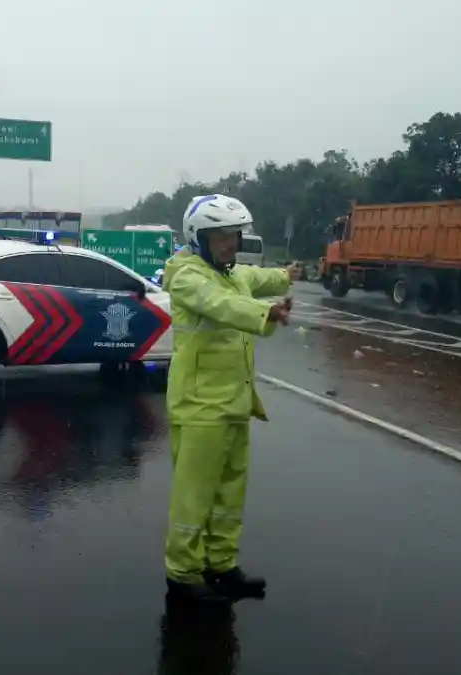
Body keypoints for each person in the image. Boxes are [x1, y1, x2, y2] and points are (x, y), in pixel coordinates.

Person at [159, 194, 295, 603]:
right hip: (200, 408)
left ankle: (221, 564)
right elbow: (220, 304)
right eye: (222, 237)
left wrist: (287, 275)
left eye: (235, 235)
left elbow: (256, 278)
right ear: (198, 238)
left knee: (229, 493)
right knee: (194, 495)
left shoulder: (231, 273)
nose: (231, 244)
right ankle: (183, 574)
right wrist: (265, 313)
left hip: (234, 404)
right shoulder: (186, 276)